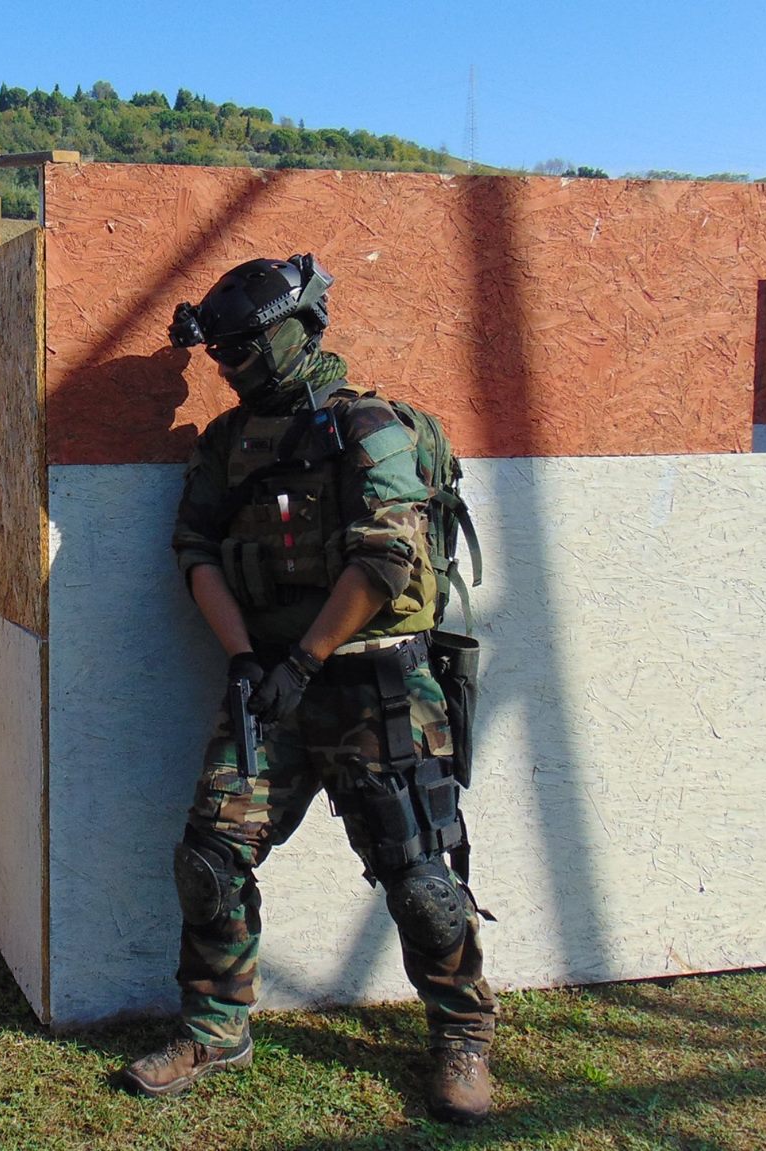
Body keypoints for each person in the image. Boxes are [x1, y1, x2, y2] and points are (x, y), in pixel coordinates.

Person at [119, 254, 497, 1123]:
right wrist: (247, 658)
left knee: (420, 879)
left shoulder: (369, 427)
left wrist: (304, 660)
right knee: (210, 860)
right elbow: (195, 550)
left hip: (375, 682)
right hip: (270, 686)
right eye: (221, 354)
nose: (231, 368)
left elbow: (386, 555)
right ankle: (216, 1027)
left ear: (296, 332)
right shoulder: (227, 443)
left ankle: (463, 1032)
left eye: (244, 349)